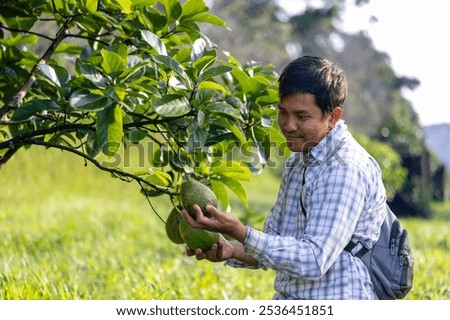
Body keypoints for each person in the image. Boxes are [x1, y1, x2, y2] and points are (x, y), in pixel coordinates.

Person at [180, 56, 387, 300]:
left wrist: (241, 232)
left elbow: (313, 259)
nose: (288, 125)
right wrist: (232, 249)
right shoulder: (299, 161)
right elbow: (276, 244)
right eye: (283, 112)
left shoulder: (345, 168)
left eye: (301, 116)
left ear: (333, 117)